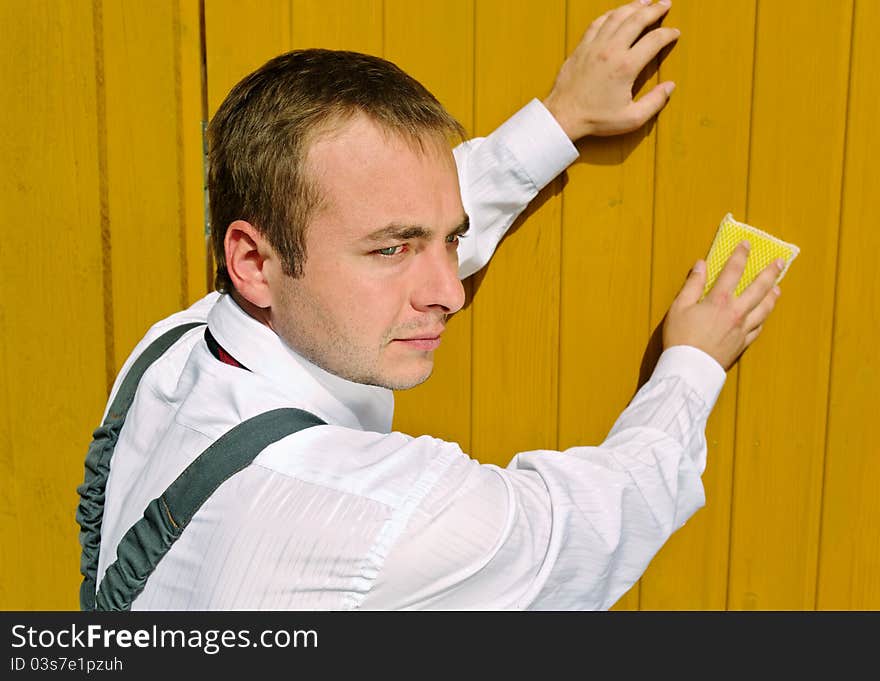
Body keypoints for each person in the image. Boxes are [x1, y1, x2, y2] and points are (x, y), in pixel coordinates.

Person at [77, 0, 783, 610]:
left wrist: (558, 122)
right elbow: (587, 527)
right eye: (392, 252)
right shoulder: (377, 517)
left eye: (450, 241)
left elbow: (362, 213)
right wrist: (690, 364)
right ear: (255, 262)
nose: (448, 292)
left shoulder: (175, 343)